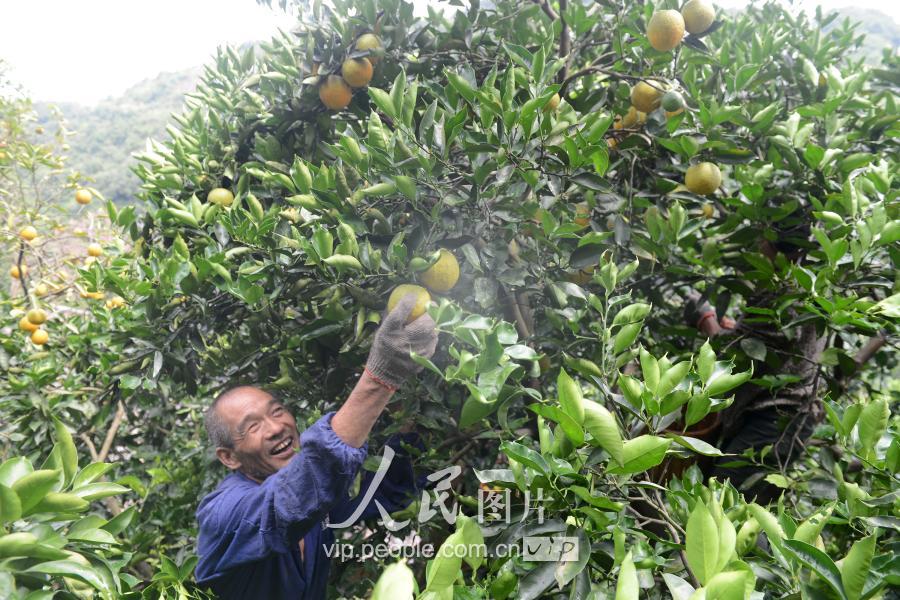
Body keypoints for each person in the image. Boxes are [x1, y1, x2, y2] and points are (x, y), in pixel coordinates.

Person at [195, 294, 438, 599]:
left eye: (277, 411)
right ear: (229, 457)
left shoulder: (318, 503)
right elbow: (292, 499)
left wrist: (416, 407)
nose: (275, 428)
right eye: (253, 426)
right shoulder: (223, 513)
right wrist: (380, 378)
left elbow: (386, 492)